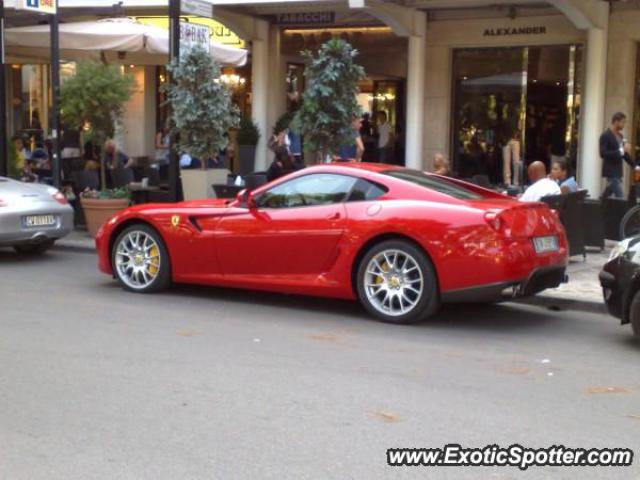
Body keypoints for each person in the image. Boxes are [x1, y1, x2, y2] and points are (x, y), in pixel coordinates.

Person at [600, 112, 634, 198]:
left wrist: (635, 165)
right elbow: (603, 153)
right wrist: (621, 150)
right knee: (620, 197)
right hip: (611, 172)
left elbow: (624, 154)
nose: (624, 125)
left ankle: (601, 202)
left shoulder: (621, 136)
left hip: (618, 172)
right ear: (616, 122)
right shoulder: (605, 135)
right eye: (623, 122)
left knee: (607, 193)